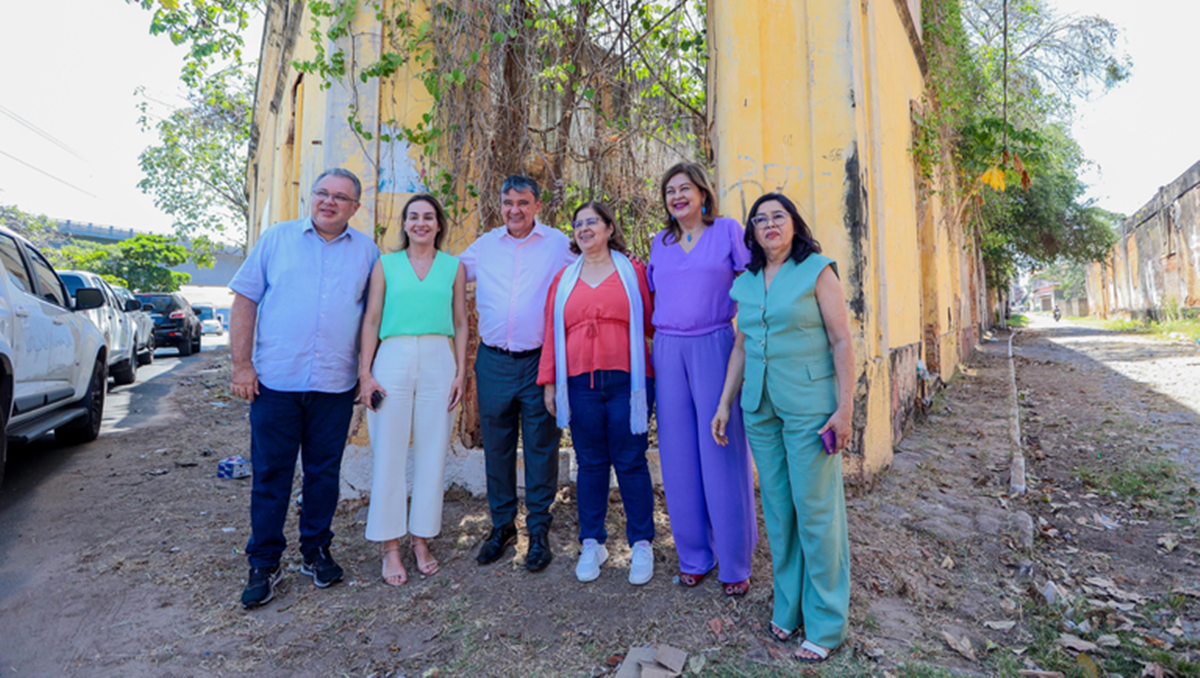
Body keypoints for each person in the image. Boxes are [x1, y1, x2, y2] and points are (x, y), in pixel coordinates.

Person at [711, 192, 854, 663]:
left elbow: (840, 339)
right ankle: (788, 607)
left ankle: (826, 622)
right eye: (759, 219)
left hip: (811, 407)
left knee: (816, 511)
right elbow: (741, 346)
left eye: (778, 216)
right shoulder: (748, 281)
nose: (769, 224)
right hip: (760, 408)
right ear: (750, 232)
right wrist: (725, 403)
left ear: (794, 223)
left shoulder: (817, 269)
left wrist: (845, 408)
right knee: (778, 509)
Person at [229, 168, 381, 609]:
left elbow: (373, 319)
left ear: (355, 207)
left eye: (340, 197)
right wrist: (241, 366)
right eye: (322, 193)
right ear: (311, 198)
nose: (329, 202)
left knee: (322, 475)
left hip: (334, 386)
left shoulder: (367, 252)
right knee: (272, 475)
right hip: (275, 383)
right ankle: (264, 561)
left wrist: (365, 372)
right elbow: (245, 299)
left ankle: (315, 551)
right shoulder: (276, 239)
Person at [647, 162, 757, 596]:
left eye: (684, 189)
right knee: (677, 455)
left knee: (721, 448)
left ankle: (734, 561)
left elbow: (751, 285)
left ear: (703, 193)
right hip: (668, 350)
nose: (677, 197)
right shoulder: (661, 241)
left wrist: (748, 336)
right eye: (670, 191)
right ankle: (694, 555)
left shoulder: (728, 231)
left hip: (715, 344)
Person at [459, 175, 574, 571]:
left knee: (542, 445)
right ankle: (502, 525)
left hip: (540, 361)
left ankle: (539, 530)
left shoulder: (558, 244)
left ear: (537, 205)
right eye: (508, 202)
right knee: (497, 446)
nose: (514, 210)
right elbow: (449, 276)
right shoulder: (485, 246)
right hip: (494, 362)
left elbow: (593, 267)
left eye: (523, 203)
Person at [538, 202, 656, 585]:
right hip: (580, 385)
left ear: (608, 228)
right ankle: (592, 542)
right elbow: (551, 335)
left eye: (592, 222)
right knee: (589, 463)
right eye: (578, 224)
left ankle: (641, 543)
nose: (584, 228)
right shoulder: (564, 279)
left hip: (628, 381)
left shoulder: (632, 270)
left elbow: (653, 320)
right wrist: (551, 384)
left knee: (631, 460)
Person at [358, 194, 468, 586]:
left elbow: (460, 321)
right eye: (413, 217)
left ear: (439, 224)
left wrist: (460, 373)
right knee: (388, 453)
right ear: (404, 224)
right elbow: (371, 321)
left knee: (433, 452)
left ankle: (421, 539)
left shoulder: (453, 267)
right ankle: (390, 547)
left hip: (440, 359)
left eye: (429, 217)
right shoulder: (385, 266)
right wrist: (365, 374)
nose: (421, 223)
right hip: (393, 358)